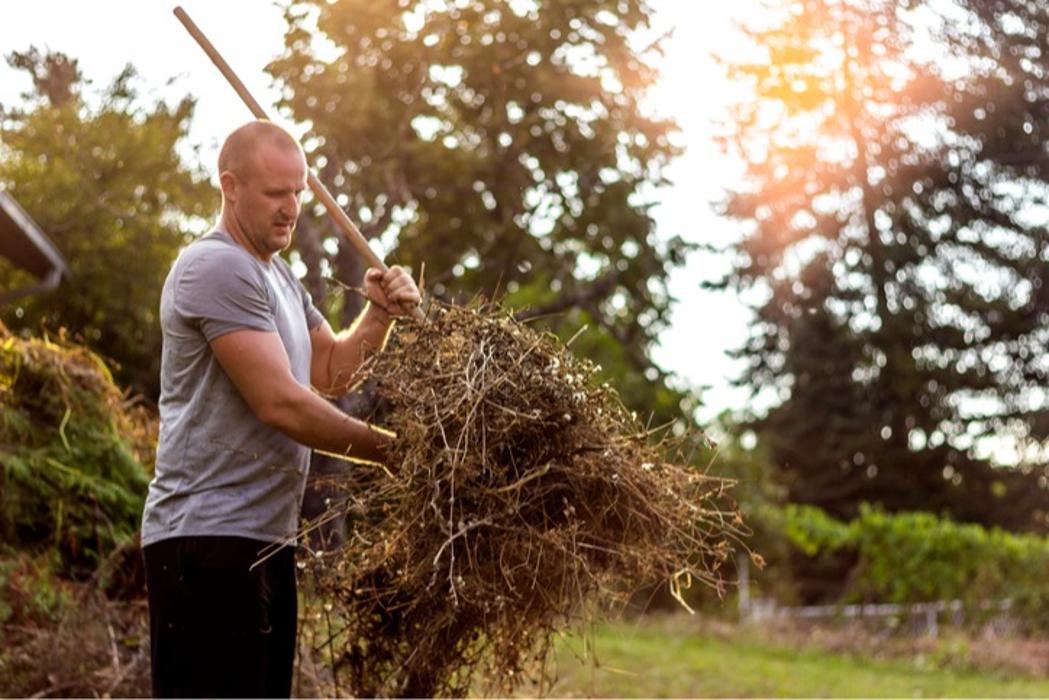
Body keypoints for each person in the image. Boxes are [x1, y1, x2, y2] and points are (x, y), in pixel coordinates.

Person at [140, 120, 420, 698]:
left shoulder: (280, 277)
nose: (291, 207)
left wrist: (379, 315)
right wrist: (398, 453)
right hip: (205, 542)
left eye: (298, 191)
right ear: (231, 187)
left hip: (263, 540)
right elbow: (282, 404)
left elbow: (333, 371)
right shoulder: (216, 268)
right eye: (276, 193)